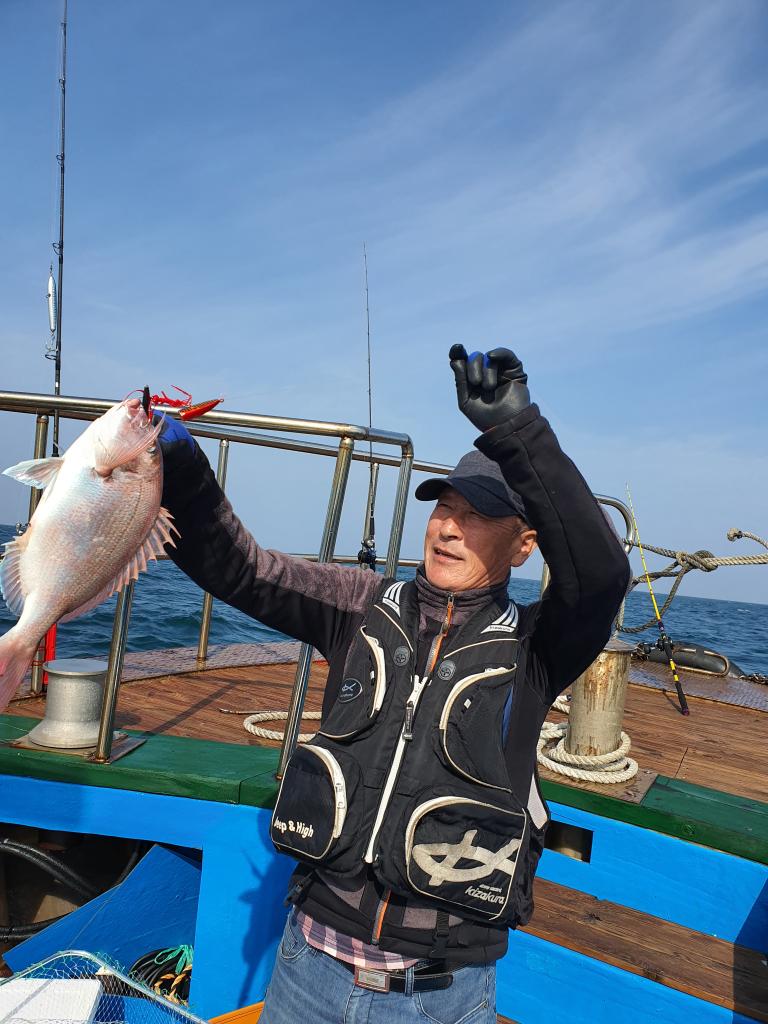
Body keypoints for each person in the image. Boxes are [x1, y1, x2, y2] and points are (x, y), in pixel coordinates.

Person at [158, 346, 630, 1023]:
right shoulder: (359, 604)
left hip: (440, 994)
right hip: (306, 968)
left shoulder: (538, 645)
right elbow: (240, 569)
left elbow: (601, 574)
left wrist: (517, 431)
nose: (447, 527)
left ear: (524, 544)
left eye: (477, 515)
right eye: (444, 506)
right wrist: (180, 470)